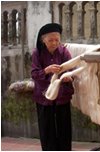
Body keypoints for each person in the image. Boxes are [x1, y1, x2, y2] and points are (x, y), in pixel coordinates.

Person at [31, 23, 74, 151]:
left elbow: (72, 69)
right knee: (46, 128)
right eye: (50, 40)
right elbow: (34, 74)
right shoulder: (37, 53)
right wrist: (47, 70)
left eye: (57, 39)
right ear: (43, 40)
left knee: (64, 127)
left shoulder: (64, 52)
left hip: (62, 94)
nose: (54, 43)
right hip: (44, 96)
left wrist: (68, 77)